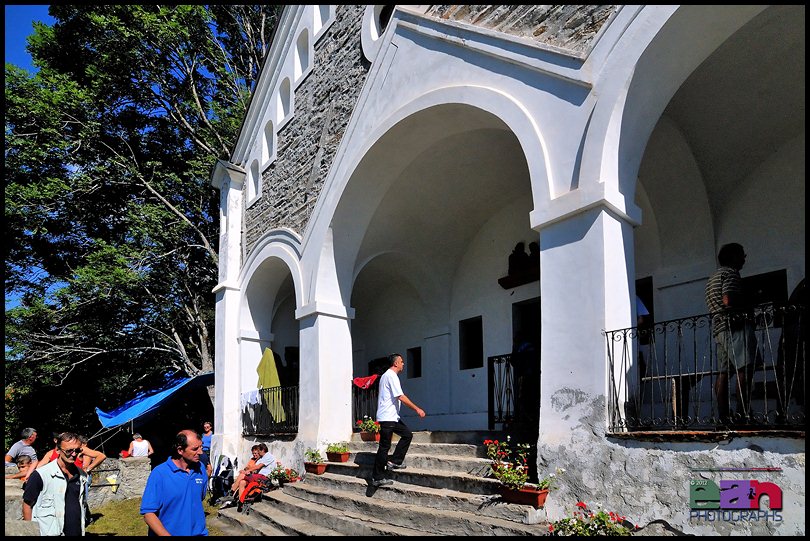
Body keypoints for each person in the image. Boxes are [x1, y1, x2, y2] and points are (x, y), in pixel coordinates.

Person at [705, 242, 757, 424]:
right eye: (742, 254)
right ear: (734, 256)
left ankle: (723, 416)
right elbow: (728, 300)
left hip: (719, 329)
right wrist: (749, 302)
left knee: (724, 373)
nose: (744, 257)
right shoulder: (731, 274)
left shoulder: (713, 277)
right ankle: (743, 414)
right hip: (735, 326)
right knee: (745, 369)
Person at [371, 353, 426, 488]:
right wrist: (417, 409)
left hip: (392, 417)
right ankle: (377, 477)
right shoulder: (391, 376)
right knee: (384, 447)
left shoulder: (386, 376)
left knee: (407, 435)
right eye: (401, 361)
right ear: (395, 363)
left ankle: (395, 461)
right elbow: (400, 396)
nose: (403, 364)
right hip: (388, 417)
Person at [140, 429, 208, 536]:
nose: (200, 452)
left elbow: (199, 498)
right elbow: (149, 514)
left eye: (201, 447)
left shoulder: (201, 469)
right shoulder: (160, 473)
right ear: (180, 450)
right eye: (195, 449)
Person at [23, 431, 88, 536]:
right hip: (50, 532)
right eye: (69, 451)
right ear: (57, 450)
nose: (74, 454)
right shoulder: (41, 475)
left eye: (77, 450)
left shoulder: (81, 475)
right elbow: (27, 504)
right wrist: (30, 532)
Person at [220, 443, 275, 509]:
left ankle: (231, 492)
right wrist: (247, 471)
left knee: (242, 475)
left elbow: (258, 467)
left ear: (262, 450)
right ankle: (241, 502)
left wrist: (246, 472)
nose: (258, 453)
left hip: (263, 478)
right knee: (242, 482)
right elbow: (254, 468)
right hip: (257, 476)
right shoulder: (261, 458)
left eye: (258, 451)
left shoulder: (268, 456)